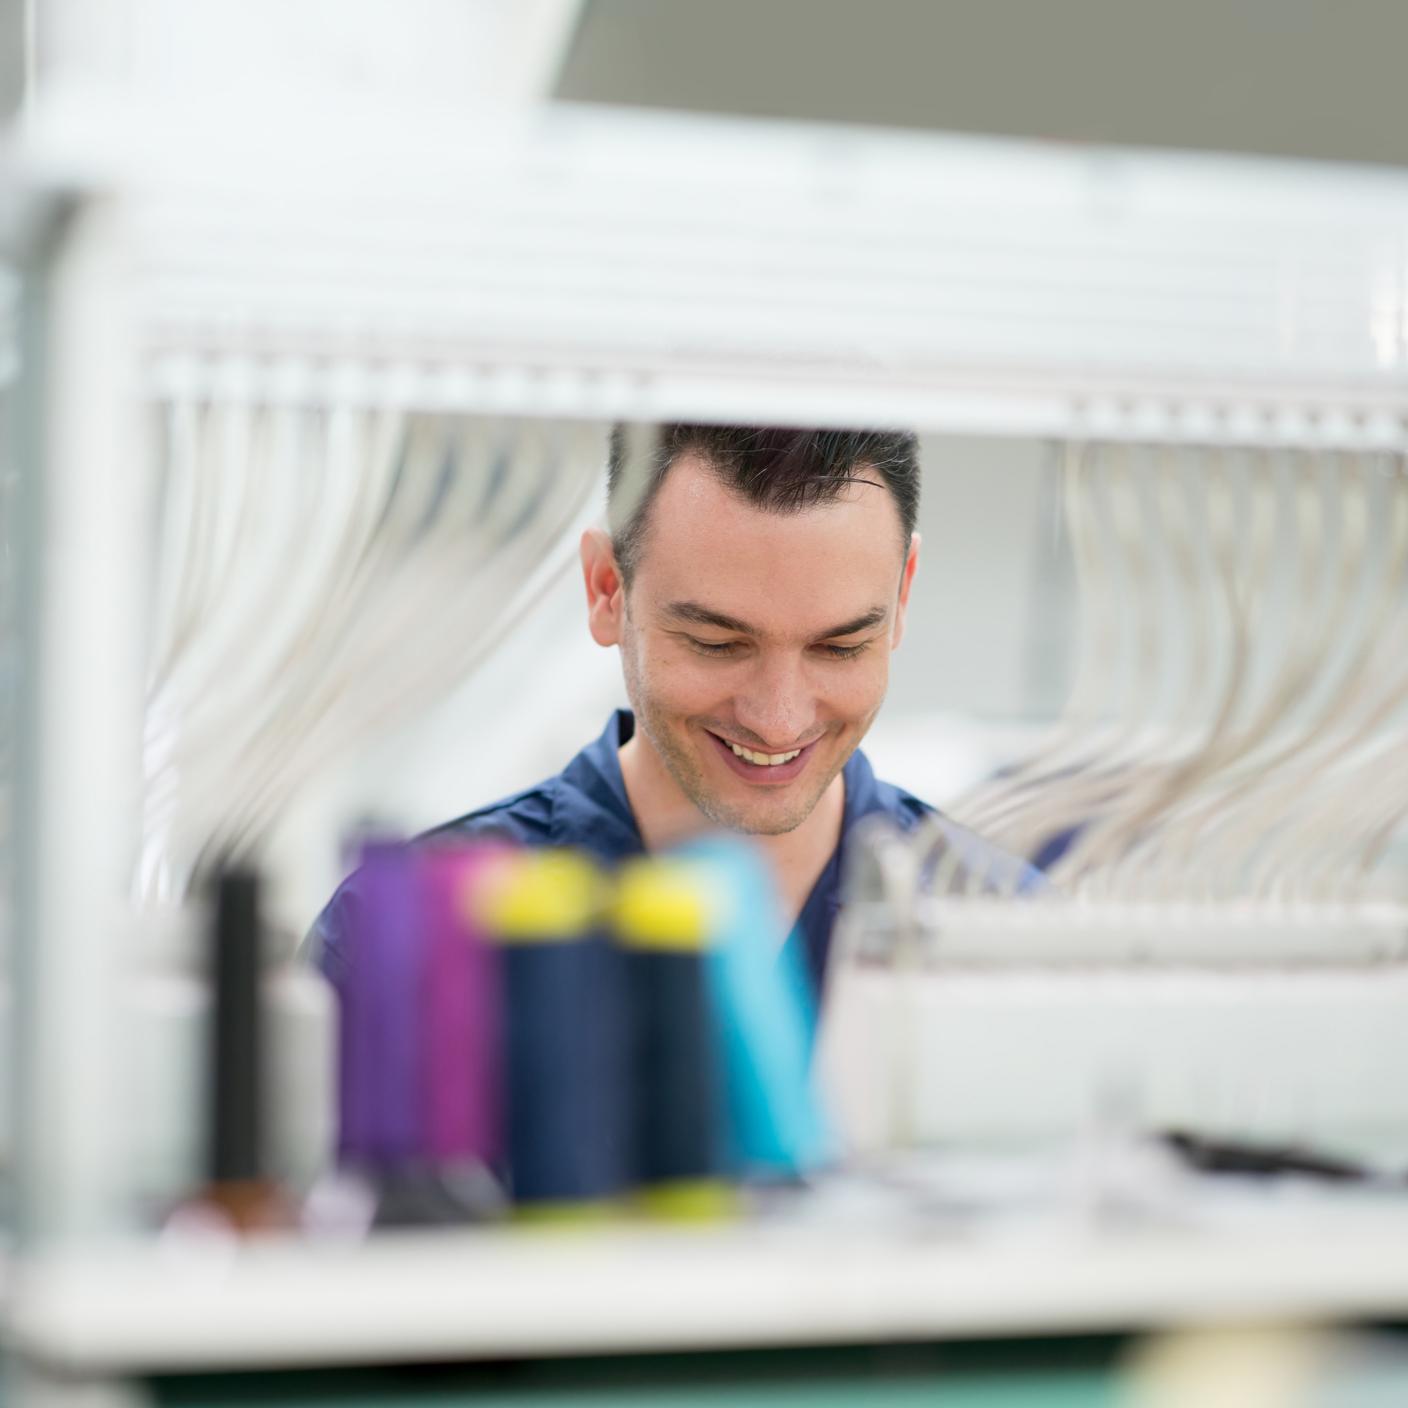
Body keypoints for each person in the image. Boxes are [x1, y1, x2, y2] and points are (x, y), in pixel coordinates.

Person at [309, 424, 1043, 993]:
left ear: (903, 595)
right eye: (718, 644)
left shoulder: (1015, 941)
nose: (779, 718)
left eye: (839, 648)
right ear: (606, 589)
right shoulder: (399, 945)